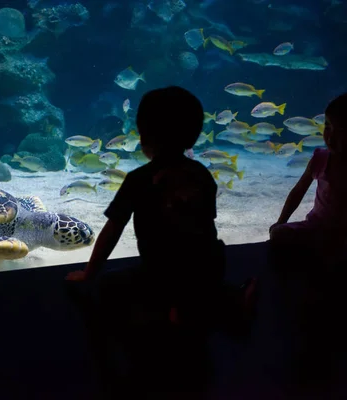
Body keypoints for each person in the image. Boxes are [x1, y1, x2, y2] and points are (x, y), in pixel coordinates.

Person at [66, 86, 255, 327]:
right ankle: (227, 298)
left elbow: (113, 229)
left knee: (111, 285)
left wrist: (89, 273)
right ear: (193, 136)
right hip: (209, 265)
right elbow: (208, 224)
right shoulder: (201, 173)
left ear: (144, 137)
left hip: (161, 271)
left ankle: (175, 311)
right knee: (200, 280)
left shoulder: (138, 179)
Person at [270, 93, 347, 266]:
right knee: (279, 234)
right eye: (327, 127)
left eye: (341, 130)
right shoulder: (320, 159)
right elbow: (298, 191)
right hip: (316, 227)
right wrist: (281, 221)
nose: (331, 136)